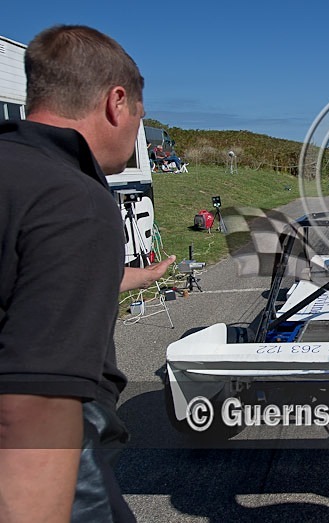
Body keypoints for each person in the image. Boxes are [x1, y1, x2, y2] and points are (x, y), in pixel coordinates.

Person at [0, 25, 171, 522]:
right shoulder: (73, 199)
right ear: (117, 103)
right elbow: (36, 404)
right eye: (139, 117)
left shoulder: (16, 175)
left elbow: (26, 287)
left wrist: (125, 277)